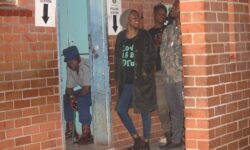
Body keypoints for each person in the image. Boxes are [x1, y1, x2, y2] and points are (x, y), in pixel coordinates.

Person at [115, 9, 157, 150]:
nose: (137, 20)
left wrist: (147, 70)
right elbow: (117, 59)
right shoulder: (120, 37)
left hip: (141, 80)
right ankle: (136, 139)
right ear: (127, 20)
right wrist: (118, 78)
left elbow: (153, 54)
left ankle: (146, 142)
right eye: (134, 18)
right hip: (126, 81)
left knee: (145, 110)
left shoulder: (144, 35)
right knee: (121, 109)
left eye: (138, 17)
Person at [160, 0, 184, 149]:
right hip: (168, 77)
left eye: (175, 6)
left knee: (185, 108)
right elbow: (162, 51)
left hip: (181, 77)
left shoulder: (188, 28)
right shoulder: (169, 29)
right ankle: (176, 140)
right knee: (174, 109)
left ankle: (189, 139)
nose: (172, 9)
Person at [148, 4, 172, 148]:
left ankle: (178, 133)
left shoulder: (170, 29)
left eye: (164, 13)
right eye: (160, 13)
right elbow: (148, 53)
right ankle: (168, 133)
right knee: (162, 106)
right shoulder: (149, 33)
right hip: (157, 72)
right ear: (154, 14)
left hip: (172, 72)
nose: (162, 15)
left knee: (175, 104)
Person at [62, 46, 93, 145]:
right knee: (65, 98)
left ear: (78, 58)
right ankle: (72, 130)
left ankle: (87, 134)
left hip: (96, 91)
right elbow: (69, 89)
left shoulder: (86, 65)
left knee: (82, 100)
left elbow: (86, 89)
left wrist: (74, 98)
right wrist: (71, 98)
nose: (70, 64)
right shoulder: (70, 67)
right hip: (85, 90)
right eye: (68, 62)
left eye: (72, 61)